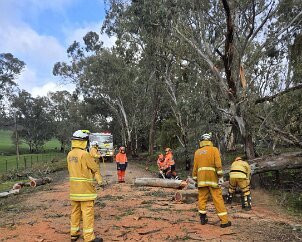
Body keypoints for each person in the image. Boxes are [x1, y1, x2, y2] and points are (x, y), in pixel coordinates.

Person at [67, 130, 103, 242]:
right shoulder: (84, 154)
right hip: (85, 190)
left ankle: (74, 234)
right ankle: (88, 237)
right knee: (87, 213)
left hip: (74, 190)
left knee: (75, 212)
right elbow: (94, 167)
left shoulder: (70, 154)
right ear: (83, 142)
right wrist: (97, 176)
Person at [192, 133, 231, 228]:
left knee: (202, 199)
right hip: (212, 179)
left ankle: (203, 219)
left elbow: (195, 167)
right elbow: (218, 164)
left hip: (201, 180)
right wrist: (220, 175)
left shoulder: (197, 152)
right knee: (217, 199)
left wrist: (195, 178)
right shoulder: (214, 150)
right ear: (210, 141)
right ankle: (224, 222)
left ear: (201, 141)